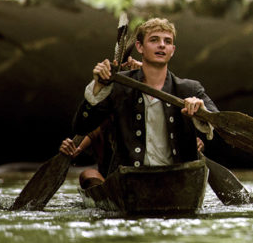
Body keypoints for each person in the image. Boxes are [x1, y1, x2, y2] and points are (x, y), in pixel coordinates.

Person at [71, 17, 217, 173]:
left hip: (179, 178)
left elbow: (220, 124)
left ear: (172, 50)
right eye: (154, 40)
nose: (162, 45)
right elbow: (81, 126)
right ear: (139, 47)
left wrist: (202, 113)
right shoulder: (118, 86)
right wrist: (98, 88)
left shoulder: (190, 88)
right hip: (129, 179)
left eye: (167, 42)